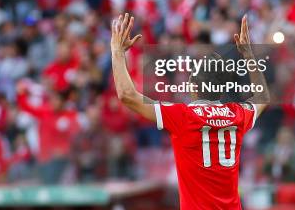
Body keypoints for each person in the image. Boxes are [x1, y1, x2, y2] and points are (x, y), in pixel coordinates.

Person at [110, 13, 268, 209]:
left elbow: (127, 95)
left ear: (193, 87)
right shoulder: (237, 114)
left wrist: (117, 51)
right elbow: (262, 98)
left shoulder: (183, 116)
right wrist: (249, 56)